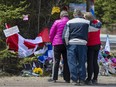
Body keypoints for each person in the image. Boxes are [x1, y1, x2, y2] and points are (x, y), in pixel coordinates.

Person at [62, 9, 90, 85]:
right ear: (81, 14)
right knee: (82, 62)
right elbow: (93, 30)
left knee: (72, 62)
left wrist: (67, 44)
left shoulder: (69, 22)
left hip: (72, 44)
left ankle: (74, 80)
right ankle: (82, 80)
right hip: (83, 44)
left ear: (74, 15)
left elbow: (65, 36)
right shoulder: (87, 22)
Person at [49, 10, 70, 83]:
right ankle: (67, 78)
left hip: (57, 43)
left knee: (56, 61)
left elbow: (51, 33)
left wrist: (52, 41)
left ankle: (54, 78)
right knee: (66, 61)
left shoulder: (57, 22)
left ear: (61, 16)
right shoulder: (70, 22)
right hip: (66, 43)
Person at [84, 12, 102, 85]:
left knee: (90, 62)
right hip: (97, 44)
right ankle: (95, 78)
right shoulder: (97, 23)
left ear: (87, 18)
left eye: (85, 17)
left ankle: (89, 79)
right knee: (95, 61)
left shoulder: (87, 25)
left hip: (90, 44)